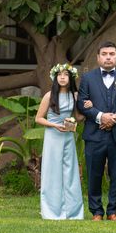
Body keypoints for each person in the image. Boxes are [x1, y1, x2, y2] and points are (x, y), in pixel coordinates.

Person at [77, 41, 116, 221]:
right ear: (98, 57)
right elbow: (82, 103)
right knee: (94, 174)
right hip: (94, 135)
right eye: (104, 54)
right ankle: (96, 211)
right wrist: (101, 116)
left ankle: (113, 211)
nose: (108, 57)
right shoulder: (87, 79)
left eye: (112, 53)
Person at [35, 63, 84, 220]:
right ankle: (52, 211)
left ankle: (73, 212)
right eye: (60, 75)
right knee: (52, 172)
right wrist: (55, 125)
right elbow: (38, 118)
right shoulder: (49, 96)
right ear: (55, 77)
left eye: (66, 74)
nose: (63, 77)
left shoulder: (75, 96)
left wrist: (86, 113)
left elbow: (78, 117)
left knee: (70, 173)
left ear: (71, 78)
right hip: (53, 136)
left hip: (68, 136)